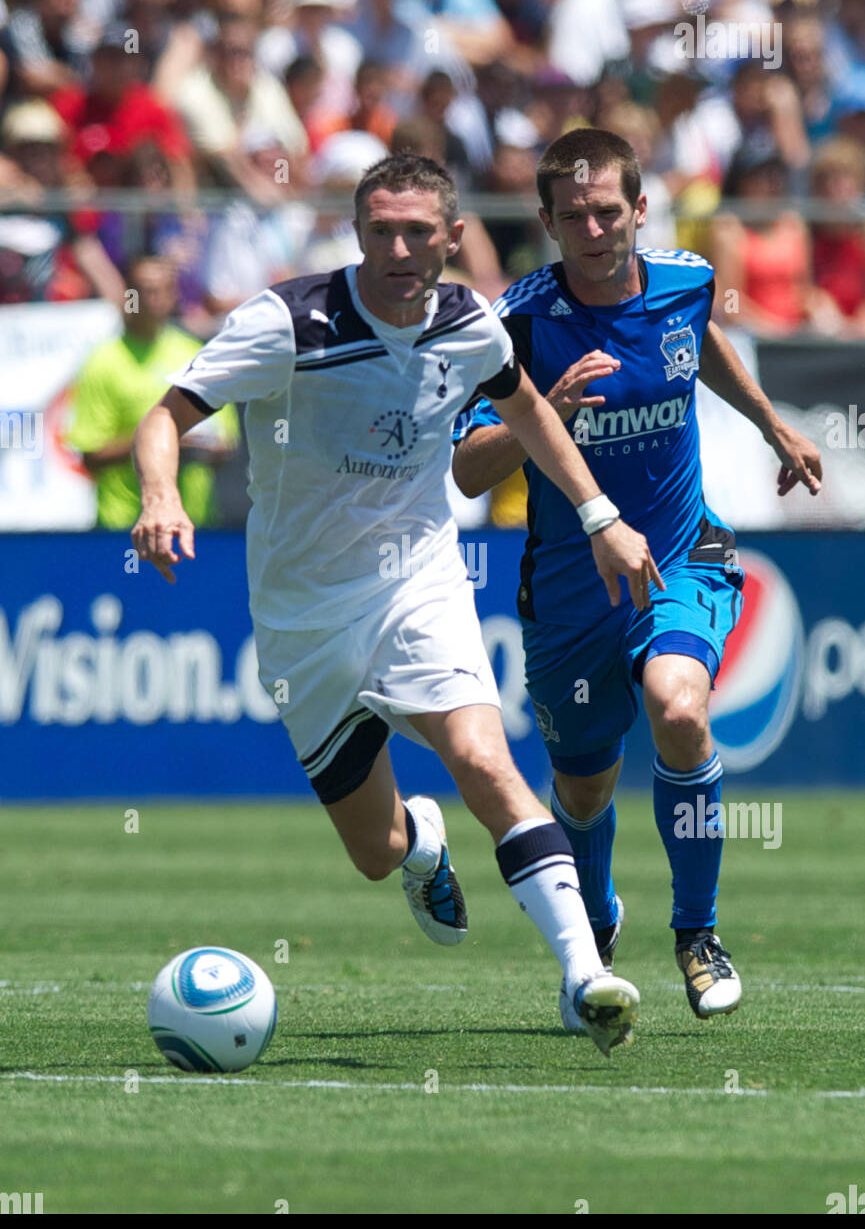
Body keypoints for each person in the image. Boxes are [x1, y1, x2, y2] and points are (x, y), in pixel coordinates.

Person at [129, 151, 666, 1056]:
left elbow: (526, 409)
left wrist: (600, 513)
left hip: (417, 584)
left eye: (418, 231)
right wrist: (159, 495)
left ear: (454, 238)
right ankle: (422, 840)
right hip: (303, 620)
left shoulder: (467, 322)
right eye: (380, 229)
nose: (399, 247)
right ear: (357, 232)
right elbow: (166, 416)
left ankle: (584, 977)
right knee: (374, 852)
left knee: (484, 760)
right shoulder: (288, 321)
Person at [451, 128, 822, 1027]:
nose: (592, 226)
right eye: (571, 214)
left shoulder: (685, 282)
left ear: (639, 210)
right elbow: (467, 470)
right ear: (543, 220)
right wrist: (544, 412)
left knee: (679, 707)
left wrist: (774, 425)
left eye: (607, 210)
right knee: (583, 786)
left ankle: (696, 933)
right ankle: (598, 912)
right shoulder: (520, 325)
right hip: (571, 593)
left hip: (682, 554)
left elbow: (707, 346)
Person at [66, 255, 238, 528]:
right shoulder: (103, 363)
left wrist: (207, 450)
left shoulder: (195, 354)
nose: (152, 299)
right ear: (128, 295)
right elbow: (90, 456)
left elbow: (225, 441)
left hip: (195, 526)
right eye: (142, 290)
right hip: (123, 529)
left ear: (174, 295)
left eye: (161, 290)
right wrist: (161, 442)